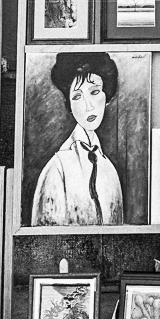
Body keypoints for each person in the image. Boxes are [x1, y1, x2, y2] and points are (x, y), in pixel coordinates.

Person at [31, 51, 125, 226]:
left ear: (107, 97)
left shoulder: (109, 170)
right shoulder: (58, 167)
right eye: (77, 96)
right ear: (70, 105)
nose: (88, 105)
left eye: (95, 92)